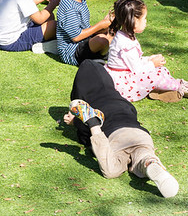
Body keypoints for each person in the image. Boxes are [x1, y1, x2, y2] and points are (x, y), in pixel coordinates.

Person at [64, 59, 179, 198]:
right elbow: (132, 113)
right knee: (142, 153)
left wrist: (76, 122)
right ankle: (149, 162)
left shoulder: (91, 104)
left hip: (114, 136)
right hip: (139, 135)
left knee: (111, 170)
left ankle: (93, 121)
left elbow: (85, 136)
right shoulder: (122, 101)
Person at [105, 0, 188, 102]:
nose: (146, 21)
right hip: (123, 85)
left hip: (123, 76)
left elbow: (132, 62)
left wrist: (149, 59)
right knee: (155, 75)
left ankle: (165, 88)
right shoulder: (126, 45)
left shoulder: (123, 36)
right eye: (144, 18)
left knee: (160, 70)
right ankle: (181, 88)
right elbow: (138, 71)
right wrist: (152, 63)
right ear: (134, 21)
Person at [55, 0, 113, 65]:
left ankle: (103, 53)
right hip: (72, 51)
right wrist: (100, 25)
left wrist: (106, 25)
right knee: (101, 40)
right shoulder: (68, 6)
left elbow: (85, 28)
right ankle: (102, 54)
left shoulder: (80, 0)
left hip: (85, 41)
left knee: (113, 31)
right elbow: (76, 37)